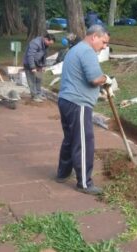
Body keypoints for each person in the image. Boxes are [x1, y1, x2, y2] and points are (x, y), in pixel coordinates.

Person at [56, 25, 112, 195]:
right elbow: (95, 79)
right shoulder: (87, 52)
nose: (104, 47)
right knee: (83, 142)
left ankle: (63, 173)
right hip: (78, 103)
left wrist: (99, 89)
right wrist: (106, 79)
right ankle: (85, 183)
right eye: (104, 42)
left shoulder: (75, 49)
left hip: (66, 100)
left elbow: (81, 77)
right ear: (94, 37)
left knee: (70, 139)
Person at [23, 34, 56, 102]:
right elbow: (30, 56)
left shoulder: (46, 45)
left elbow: (45, 55)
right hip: (29, 64)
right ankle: (34, 96)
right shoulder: (35, 43)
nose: (49, 45)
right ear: (46, 39)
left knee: (39, 79)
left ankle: (38, 93)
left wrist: (43, 65)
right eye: (49, 43)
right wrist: (32, 67)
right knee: (32, 80)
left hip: (38, 64)